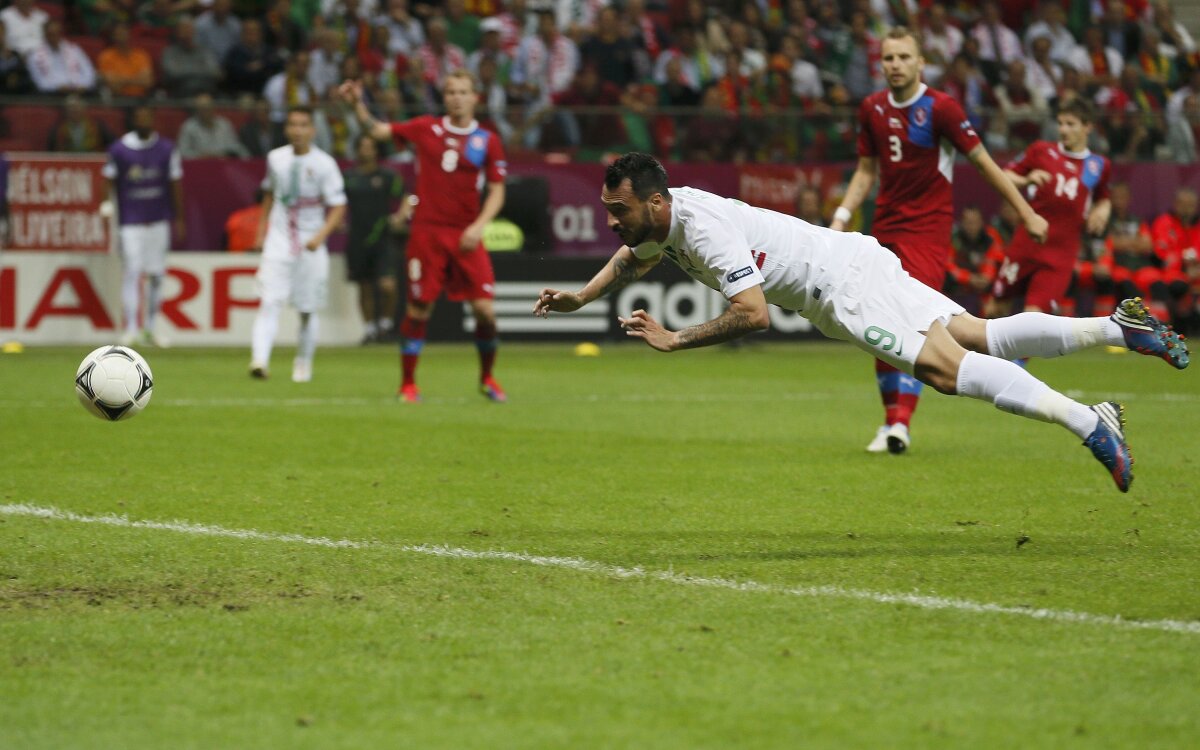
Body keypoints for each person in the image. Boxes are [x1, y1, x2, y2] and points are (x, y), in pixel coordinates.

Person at [533, 153, 1191, 494]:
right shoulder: (661, 218)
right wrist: (581, 299)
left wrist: (677, 338)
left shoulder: (703, 232)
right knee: (974, 334)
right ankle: (1116, 328)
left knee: (943, 368)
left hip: (841, 287)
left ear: (652, 200)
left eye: (618, 209)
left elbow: (752, 312)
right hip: (853, 261)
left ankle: (1089, 421)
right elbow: (631, 257)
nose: (612, 221)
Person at [830, 27, 1049, 455]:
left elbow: (984, 163)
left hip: (927, 235)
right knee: (879, 322)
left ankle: (900, 423)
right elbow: (865, 171)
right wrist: (840, 218)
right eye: (889, 58)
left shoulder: (941, 108)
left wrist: (1026, 212)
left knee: (911, 324)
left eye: (903, 58)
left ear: (920, 63)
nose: (895, 65)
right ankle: (897, 421)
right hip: (885, 232)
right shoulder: (871, 108)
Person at [340, 69, 508, 403]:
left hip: (466, 235)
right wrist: (358, 103)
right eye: (450, 92)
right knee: (419, 309)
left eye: (462, 91)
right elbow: (377, 130)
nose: (456, 98)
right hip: (427, 233)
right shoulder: (425, 128)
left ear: (475, 97)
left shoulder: (487, 140)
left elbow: (497, 190)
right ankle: (408, 384)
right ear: (443, 97)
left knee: (485, 311)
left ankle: (487, 378)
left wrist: (478, 226)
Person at [249, 106, 347, 383]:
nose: (297, 130)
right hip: (279, 240)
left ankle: (302, 363)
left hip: (310, 243)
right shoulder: (276, 158)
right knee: (269, 300)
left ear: (312, 130)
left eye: (303, 125)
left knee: (306, 309)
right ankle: (259, 360)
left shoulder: (325, 164)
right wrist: (261, 231)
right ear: (286, 128)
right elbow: (270, 194)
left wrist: (321, 236)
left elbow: (339, 205)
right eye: (293, 125)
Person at [992, 98, 1112, 317]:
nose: (1063, 130)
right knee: (997, 308)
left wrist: (1102, 209)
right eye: (1060, 123)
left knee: (1034, 318)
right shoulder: (1040, 151)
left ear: (1087, 127)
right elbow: (1004, 176)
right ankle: (980, 351)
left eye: (1070, 124)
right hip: (1026, 244)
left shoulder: (1098, 165)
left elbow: (1104, 197)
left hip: (1061, 254)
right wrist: (1026, 180)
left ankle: (1014, 353)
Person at [103, 104, 184, 348]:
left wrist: (179, 218)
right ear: (133, 120)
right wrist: (106, 203)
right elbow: (107, 179)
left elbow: (175, 184)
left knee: (157, 276)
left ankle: (151, 328)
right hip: (130, 222)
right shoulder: (119, 149)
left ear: (153, 119)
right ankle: (130, 328)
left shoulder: (167, 149)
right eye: (138, 117)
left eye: (146, 116)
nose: (143, 120)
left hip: (158, 220)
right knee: (132, 273)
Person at [342, 133, 408, 344]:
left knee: (388, 285)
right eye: (362, 147)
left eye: (370, 147)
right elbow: (336, 202)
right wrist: (338, 220)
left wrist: (402, 215)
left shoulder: (388, 176)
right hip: (357, 238)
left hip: (384, 237)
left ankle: (387, 325)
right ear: (357, 150)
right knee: (364, 286)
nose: (366, 151)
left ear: (376, 151)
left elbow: (411, 196)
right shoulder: (348, 177)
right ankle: (370, 329)